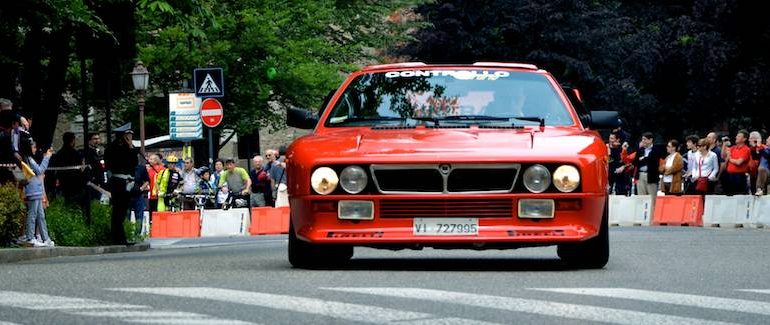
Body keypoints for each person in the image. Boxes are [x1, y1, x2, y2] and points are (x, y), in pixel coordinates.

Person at [104, 123, 138, 245]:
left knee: (122, 211)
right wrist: (130, 148)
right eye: (128, 135)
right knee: (119, 211)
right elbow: (130, 162)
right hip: (119, 182)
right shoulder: (117, 148)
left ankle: (119, 237)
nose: (130, 138)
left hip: (124, 181)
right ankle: (118, 238)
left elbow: (134, 163)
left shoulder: (123, 147)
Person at [21, 139, 54, 247]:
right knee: (33, 214)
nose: (35, 149)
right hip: (33, 190)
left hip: (36, 190)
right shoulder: (29, 159)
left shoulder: (27, 159)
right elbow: (40, 170)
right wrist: (47, 157)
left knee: (40, 215)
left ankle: (45, 238)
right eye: (33, 147)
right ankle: (30, 237)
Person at [51, 132, 84, 204]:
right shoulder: (75, 153)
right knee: (75, 200)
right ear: (72, 140)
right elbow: (80, 166)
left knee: (66, 199)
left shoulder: (59, 153)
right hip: (75, 181)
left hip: (63, 180)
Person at [724, 130, 751, 195]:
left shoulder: (746, 149)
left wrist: (730, 158)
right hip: (729, 175)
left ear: (744, 139)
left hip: (739, 176)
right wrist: (724, 144)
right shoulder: (733, 148)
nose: (736, 137)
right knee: (729, 195)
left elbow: (739, 162)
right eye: (737, 136)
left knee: (739, 195)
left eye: (738, 136)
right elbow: (723, 156)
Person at [130, 153, 150, 237]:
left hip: (138, 194)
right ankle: (127, 234)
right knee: (126, 215)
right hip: (127, 195)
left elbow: (147, 180)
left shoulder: (141, 168)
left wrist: (142, 188)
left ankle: (137, 235)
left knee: (139, 216)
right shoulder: (125, 168)